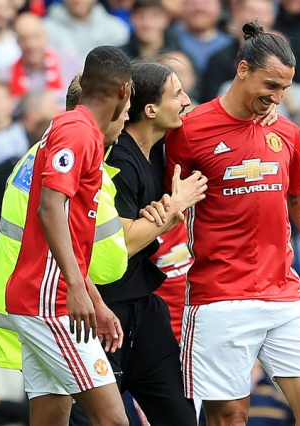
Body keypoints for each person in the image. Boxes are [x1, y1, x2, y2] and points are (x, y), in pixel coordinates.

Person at [164, 21, 300, 425]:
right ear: (242, 70)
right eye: (270, 85)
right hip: (218, 296)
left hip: (284, 294)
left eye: (284, 89)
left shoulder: (286, 132)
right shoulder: (189, 131)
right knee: (229, 418)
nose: (277, 98)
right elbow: (169, 205)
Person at [1, 45, 132, 426]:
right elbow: (49, 209)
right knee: (114, 420)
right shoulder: (78, 132)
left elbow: (69, 233)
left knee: (51, 418)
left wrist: (93, 296)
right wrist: (76, 288)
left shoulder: (73, 127)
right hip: (50, 301)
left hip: (46, 295)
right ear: (124, 90)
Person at [98, 60, 209, 425]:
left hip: (144, 307)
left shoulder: (161, 147)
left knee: (181, 417)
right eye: (177, 94)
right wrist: (176, 206)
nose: (187, 101)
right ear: (150, 110)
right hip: (105, 311)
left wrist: (262, 115)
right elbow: (122, 244)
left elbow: (217, 121)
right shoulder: (118, 159)